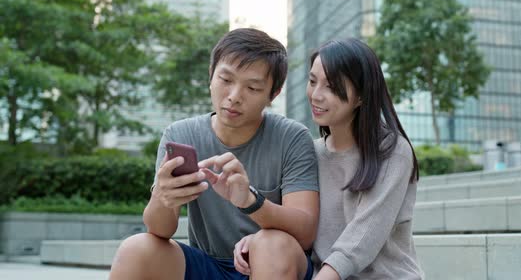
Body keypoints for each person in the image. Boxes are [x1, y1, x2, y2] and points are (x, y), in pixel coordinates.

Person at [109, 28, 319, 280]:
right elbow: (159, 230)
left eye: (252, 88)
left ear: (273, 94)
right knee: (136, 248)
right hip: (209, 264)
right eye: (226, 80)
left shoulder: (292, 137)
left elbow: (305, 232)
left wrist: (250, 201)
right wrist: (163, 198)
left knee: (270, 244)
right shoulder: (180, 134)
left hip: (275, 262)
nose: (234, 97)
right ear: (211, 76)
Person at [306, 38, 424, 279]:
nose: (316, 95)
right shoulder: (309, 153)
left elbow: (362, 238)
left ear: (361, 96)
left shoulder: (392, 152)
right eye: (312, 81)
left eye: (331, 86)